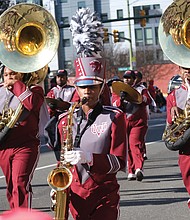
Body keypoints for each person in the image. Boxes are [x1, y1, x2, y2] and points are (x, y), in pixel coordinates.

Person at [45, 7, 127, 220]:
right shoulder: (65, 119)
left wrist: (90, 158)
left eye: (93, 87)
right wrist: (57, 187)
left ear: (101, 88)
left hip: (104, 196)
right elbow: (62, 160)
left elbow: (119, 162)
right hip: (75, 196)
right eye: (83, 87)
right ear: (77, 88)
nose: (87, 91)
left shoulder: (114, 117)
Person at [0, 66, 44, 209]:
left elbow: (32, 104)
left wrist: (17, 86)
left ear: (21, 74)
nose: (9, 78)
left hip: (26, 145)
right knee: (11, 186)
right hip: (4, 146)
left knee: (20, 183)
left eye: (13, 74)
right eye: (6, 75)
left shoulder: (34, 90)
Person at [112, 70, 151, 181]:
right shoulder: (118, 90)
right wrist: (121, 99)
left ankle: (139, 168)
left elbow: (147, 100)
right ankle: (131, 170)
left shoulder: (141, 89)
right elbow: (114, 104)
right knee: (127, 147)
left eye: (129, 78)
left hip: (138, 122)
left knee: (135, 143)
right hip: (124, 122)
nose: (127, 80)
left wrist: (135, 97)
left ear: (134, 79)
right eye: (125, 77)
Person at [165, 66, 190, 208]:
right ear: (179, 70)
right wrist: (176, 113)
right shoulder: (174, 95)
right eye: (184, 67)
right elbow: (170, 125)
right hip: (186, 146)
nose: (188, 70)